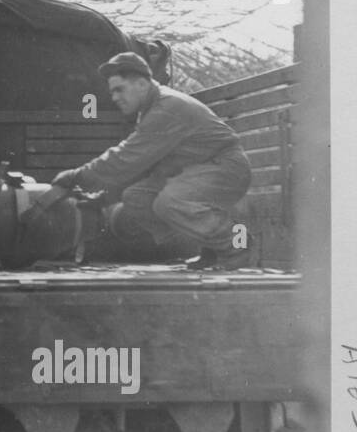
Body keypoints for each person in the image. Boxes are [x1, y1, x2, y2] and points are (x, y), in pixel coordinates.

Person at [40, 52, 253, 270]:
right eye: (112, 91)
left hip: (226, 168)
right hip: (200, 170)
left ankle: (237, 246)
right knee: (136, 197)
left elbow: (124, 159)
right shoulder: (150, 110)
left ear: (142, 84)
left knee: (170, 202)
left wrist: (78, 176)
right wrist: (104, 198)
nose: (114, 97)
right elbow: (142, 166)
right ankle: (212, 247)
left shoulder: (167, 107)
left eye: (119, 89)